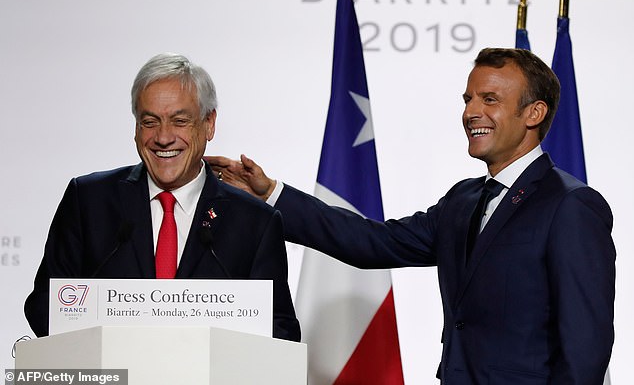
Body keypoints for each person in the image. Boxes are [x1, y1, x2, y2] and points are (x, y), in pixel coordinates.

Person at [208, 48, 615, 384]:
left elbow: (584, 349)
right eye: (468, 99)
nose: (471, 112)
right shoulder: (464, 200)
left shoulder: (571, 206)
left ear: (534, 113)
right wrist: (272, 194)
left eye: (489, 99)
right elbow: (372, 242)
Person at [24, 53, 300, 342]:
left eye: (180, 121)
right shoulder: (89, 201)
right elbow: (45, 305)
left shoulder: (255, 222)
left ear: (209, 124)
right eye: (150, 122)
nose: (164, 137)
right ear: (136, 128)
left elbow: (279, 332)